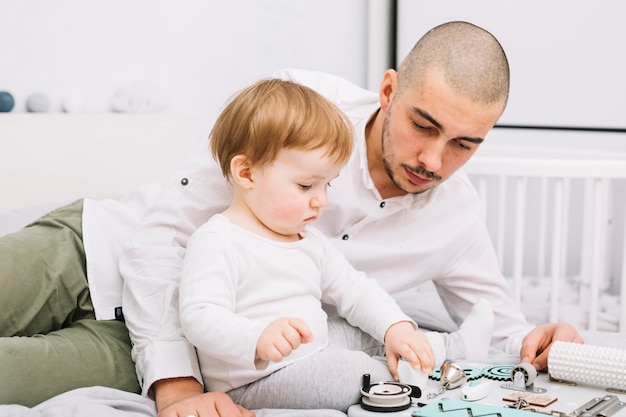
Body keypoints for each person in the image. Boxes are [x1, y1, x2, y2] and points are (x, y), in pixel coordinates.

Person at [0, 20, 583, 416]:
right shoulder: (302, 104)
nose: (434, 160)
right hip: (92, 249)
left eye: (464, 144)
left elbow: (503, 333)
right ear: (389, 90)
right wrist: (176, 384)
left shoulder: (455, 220)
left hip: (150, 344)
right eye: (424, 125)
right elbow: (162, 235)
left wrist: (544, 340)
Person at [177, 78, 495, 411]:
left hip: (318, 347)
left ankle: (455, 347)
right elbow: (200, 316)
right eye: (305, 186)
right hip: (258, 380)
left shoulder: (308, 240)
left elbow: (354, 290)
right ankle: (415, 374)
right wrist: (255, 338)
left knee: (364, 331)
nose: (320, 202)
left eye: (327, 185)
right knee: (353, 370)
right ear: (246, 173)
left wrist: (395, 328)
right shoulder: (219, 240)